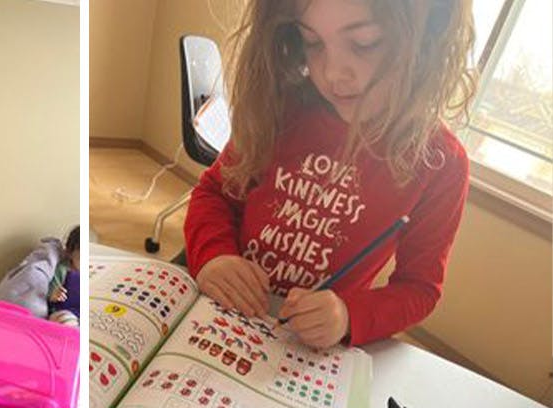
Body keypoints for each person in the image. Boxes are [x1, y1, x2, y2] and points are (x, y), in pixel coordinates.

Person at [184, 0, 475, 348]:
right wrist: (215, 255)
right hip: (223, 312)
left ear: (427, 40)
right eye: (313, 42)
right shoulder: (282, 106)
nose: (333, 73)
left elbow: (420, 288)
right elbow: (215, 192)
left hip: (305, 349)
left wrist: (348, 314)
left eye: (365, 42)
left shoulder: (441, 163)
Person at [48, 226, 81, 326]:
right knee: (65, 320)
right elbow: (50, 294)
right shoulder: (62, 270)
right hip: (65, 311)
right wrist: (54, 295)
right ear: (70, 253)